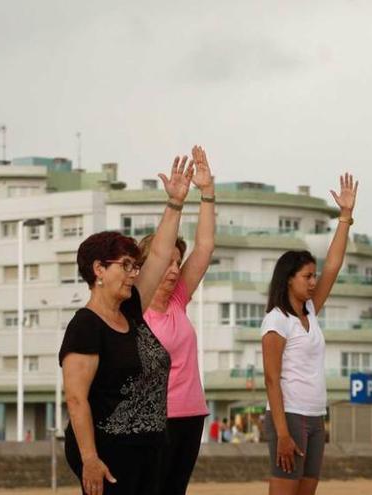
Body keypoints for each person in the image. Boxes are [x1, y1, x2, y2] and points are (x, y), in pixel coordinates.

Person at [59, 155, 194, 495]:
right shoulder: (85, 326)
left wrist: (175, 203)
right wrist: (90, 458)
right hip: (108, 456)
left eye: (136, 266)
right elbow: (76, 399)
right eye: (126, 266)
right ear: (99, 270)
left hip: (149, 450)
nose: (135, 273)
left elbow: (161, 254)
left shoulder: (131, 311)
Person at [260, 174, 358, 495]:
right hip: (290, 417)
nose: (313, 282)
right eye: (307, 276)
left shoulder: (310, 312)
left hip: (316, 417)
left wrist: (344, 217)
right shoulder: (277, 320)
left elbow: (333, 265)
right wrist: (282, 432)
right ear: (289, 279)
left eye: (313, 276)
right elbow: (272, 380)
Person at [137, 145, 215, 495]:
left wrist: (207, 193)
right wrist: (175, 203)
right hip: (152, 420)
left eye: (176, 262)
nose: (172, 270)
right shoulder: (134, 310)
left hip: (191, 415)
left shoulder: (179, 299)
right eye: (166, 261)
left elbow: (205, 249)